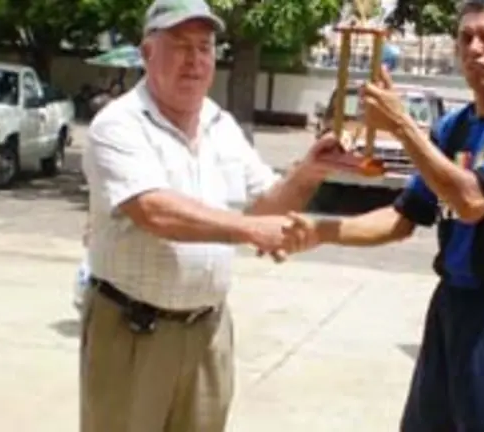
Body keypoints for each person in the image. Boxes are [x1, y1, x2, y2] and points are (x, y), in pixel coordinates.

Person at [279, 0, 484, 430]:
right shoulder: (452, 129)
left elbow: (472, 201)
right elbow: (402, 218)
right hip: (451, 304)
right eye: (466, 37)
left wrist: (403, 127)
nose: (476, 48)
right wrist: (320, 230)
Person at [79, 0, 343, 430]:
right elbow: (155, 211)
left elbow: (267, 204)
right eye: (180, 46)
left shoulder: (222, 126)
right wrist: (250, 230)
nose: (195, 60)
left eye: (204, 47)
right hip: (131, 334)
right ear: (147, 53)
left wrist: (308, 172)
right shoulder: (119, 124)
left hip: (208, 331)